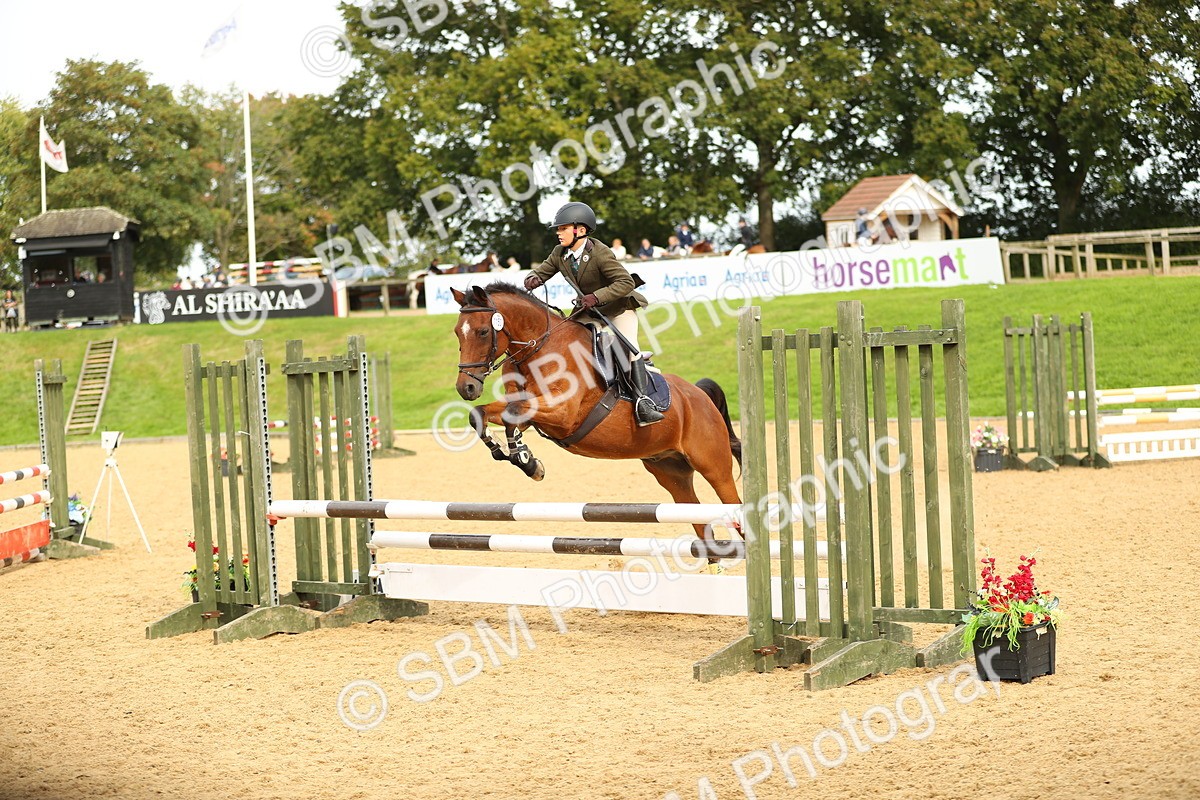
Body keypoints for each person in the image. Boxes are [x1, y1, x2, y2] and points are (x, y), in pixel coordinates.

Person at [524, 202, 664, 426]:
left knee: (629, 348)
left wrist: (597, 297)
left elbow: (625, 282)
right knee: (565, 337)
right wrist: (533, 278)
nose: (558, 233)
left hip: (618, 308)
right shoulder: (560, 253)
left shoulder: (600, 252)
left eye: (563, 228)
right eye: (558, 229)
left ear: (580, 230)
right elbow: (541, 271)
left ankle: (643, 402)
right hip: (589, 311)